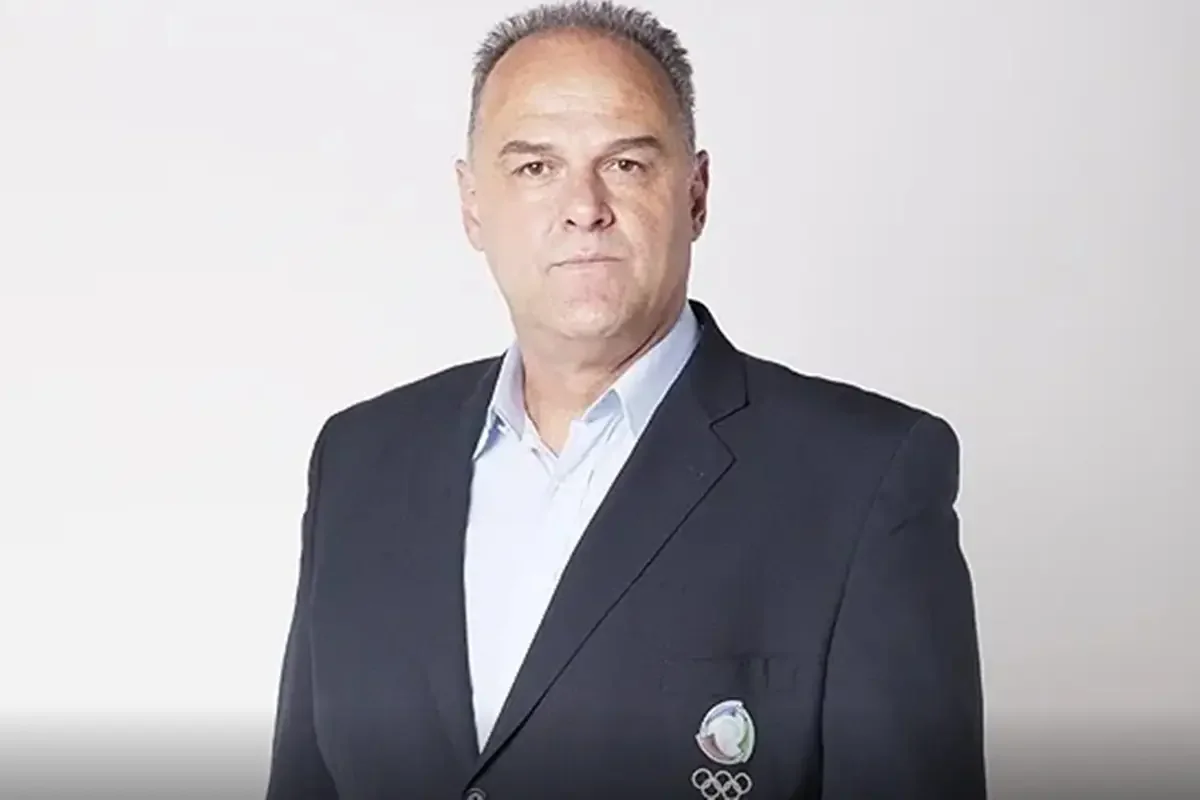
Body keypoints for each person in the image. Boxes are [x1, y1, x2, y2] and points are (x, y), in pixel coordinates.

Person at [264, 2, 987, 798]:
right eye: (535, 168)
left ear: (696, 193)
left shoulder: (864, 480)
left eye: (627, 164)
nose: (584, 207)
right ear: (472, 203)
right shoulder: (360, 462)